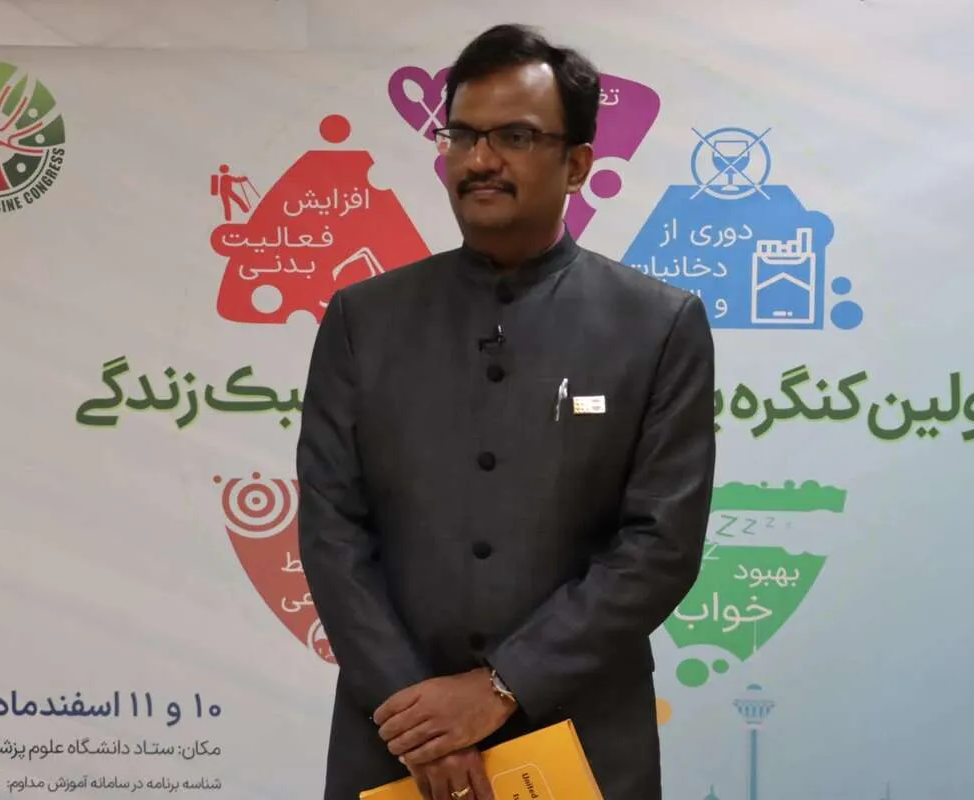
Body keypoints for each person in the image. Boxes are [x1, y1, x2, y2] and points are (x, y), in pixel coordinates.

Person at [297, 23, 716, 800]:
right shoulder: (363, 320)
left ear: (578, 164)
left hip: (582, 740)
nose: (479, 160)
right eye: (462, 135)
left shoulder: (658, 326)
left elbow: (659, 546)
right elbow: (332, 530)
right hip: (396, 746)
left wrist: (500, 687)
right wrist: (419, 718)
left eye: (515, 137)